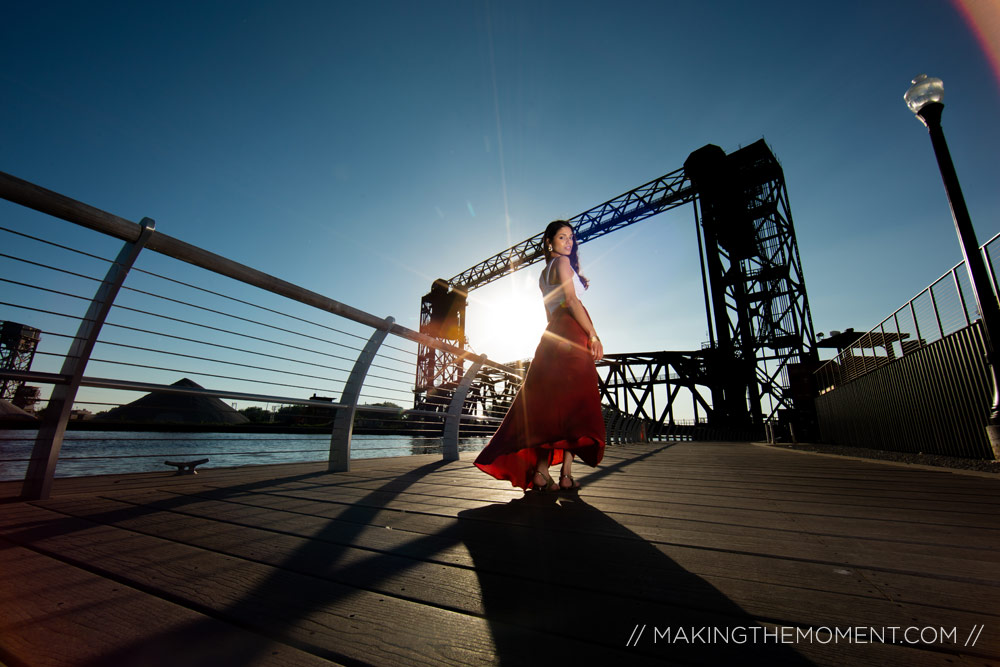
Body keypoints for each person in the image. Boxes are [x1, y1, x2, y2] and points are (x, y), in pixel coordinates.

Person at [474, 220, 606, 491]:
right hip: (572, 335)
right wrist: (593, 334)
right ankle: (566, 475)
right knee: (575, 408)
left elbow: (550, 313)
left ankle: (542, 471)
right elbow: (571, 301)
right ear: (549, 242)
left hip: (552, 336)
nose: (569, 242)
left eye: (571, 237)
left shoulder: (543, 274)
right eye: (562, 237)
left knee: (551, 408)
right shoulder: (563, 265)